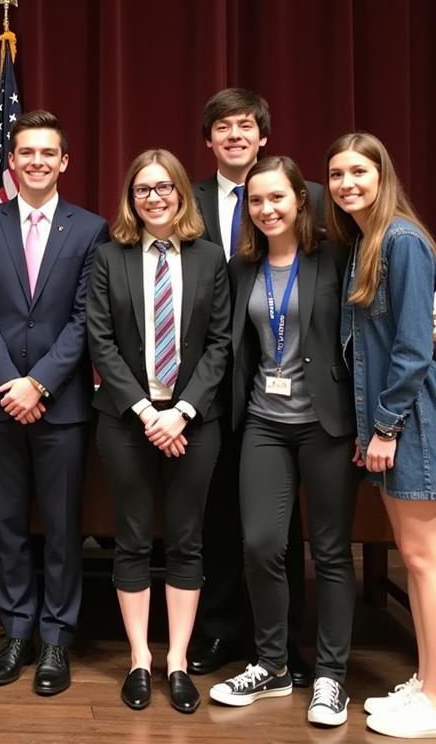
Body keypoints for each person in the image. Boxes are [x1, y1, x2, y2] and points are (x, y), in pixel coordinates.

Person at [208, 156, 357, 727]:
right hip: (265, 422)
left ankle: (330, 677)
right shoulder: (242, 265)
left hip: (326, 423)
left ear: (301, 199)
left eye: (277, 198)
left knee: (332, 551)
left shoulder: (334, 258)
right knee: (261, 544)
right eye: (256, 201)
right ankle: (271, 664)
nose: (267, 210)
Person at [0, 109, 108, 696]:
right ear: (11, 161)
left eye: (49, 153)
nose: (38, 162)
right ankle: (17, 630)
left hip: (63, 404)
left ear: (64, 161)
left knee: (62, 525)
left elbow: (84, 318)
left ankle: (56, 639)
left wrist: (40, 383)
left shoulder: (90, 228)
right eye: (27, 153)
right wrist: (11, 384)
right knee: (7, 525)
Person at [87, 149, 229, 714]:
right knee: (133, 538)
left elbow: (221, 344)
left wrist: (183, 411)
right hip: (127, 421)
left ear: (180, 194)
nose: (154, 197)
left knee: (188, 539)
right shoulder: (108, 258)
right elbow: (101, 342)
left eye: (164, 187)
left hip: (194, 421)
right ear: (131, 198)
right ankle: (140, 660)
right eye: (143, 189)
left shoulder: (210, 258)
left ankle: (177, 662)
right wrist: (148, 413)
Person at [189, 87, 321, 685]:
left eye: (245, 126)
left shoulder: (306, 200)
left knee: (278, 524)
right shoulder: (183, 200)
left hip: (286, 391)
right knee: (218, 516)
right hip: (211, 388)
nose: (234, 135)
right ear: (209, 139)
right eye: (223, 127)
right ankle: (219, 628)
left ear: (263, 136)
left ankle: (285, 643)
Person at [326, 132, 436, 739]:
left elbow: (414, 347)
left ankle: (434, 694)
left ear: (382, 175)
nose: (346, 184)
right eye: (337, 174)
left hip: (410, 420)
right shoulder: (367, 241)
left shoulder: (401, 240)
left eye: (358, 172)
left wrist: (386, 426)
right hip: (388, 421)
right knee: (420, 556)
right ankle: (425, 680)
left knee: (421, 560)